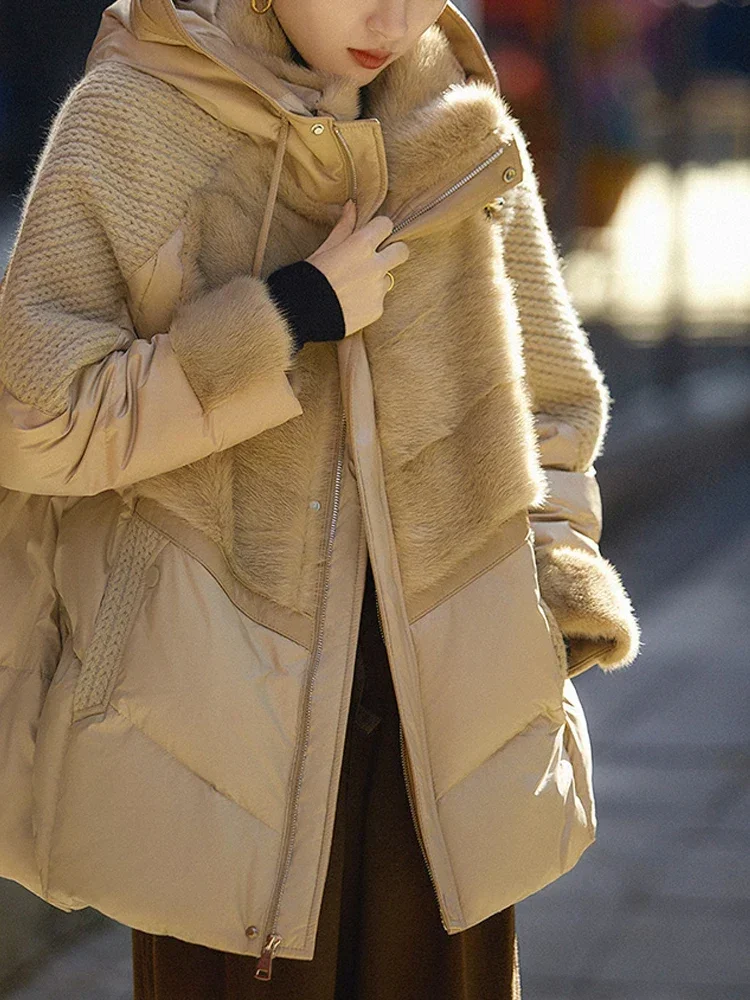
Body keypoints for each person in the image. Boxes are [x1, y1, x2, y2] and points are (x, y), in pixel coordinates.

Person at [0, 0, 642, 997]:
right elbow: (33, 418)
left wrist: (551, 593)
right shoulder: (135, 119)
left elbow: (552, 404)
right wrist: (284, 315)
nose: (393, 15)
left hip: (445, 758)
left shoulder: (462, 129)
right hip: (210, 754)